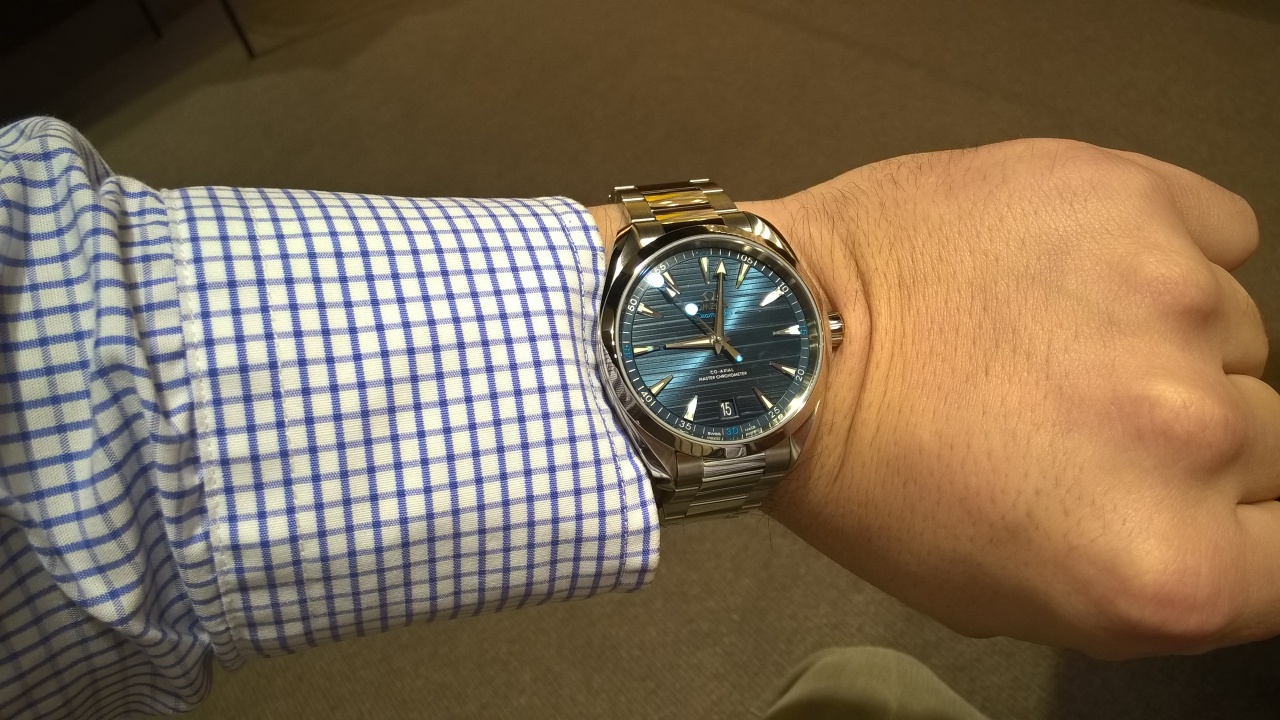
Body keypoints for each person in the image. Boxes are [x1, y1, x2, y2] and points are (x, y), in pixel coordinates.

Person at [0, 115, 1273, 719]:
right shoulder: (710, 343)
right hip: (705, 359)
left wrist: (845, 305)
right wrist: (864, 327)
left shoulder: (735, 305)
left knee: (858, 688)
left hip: (719, 325)